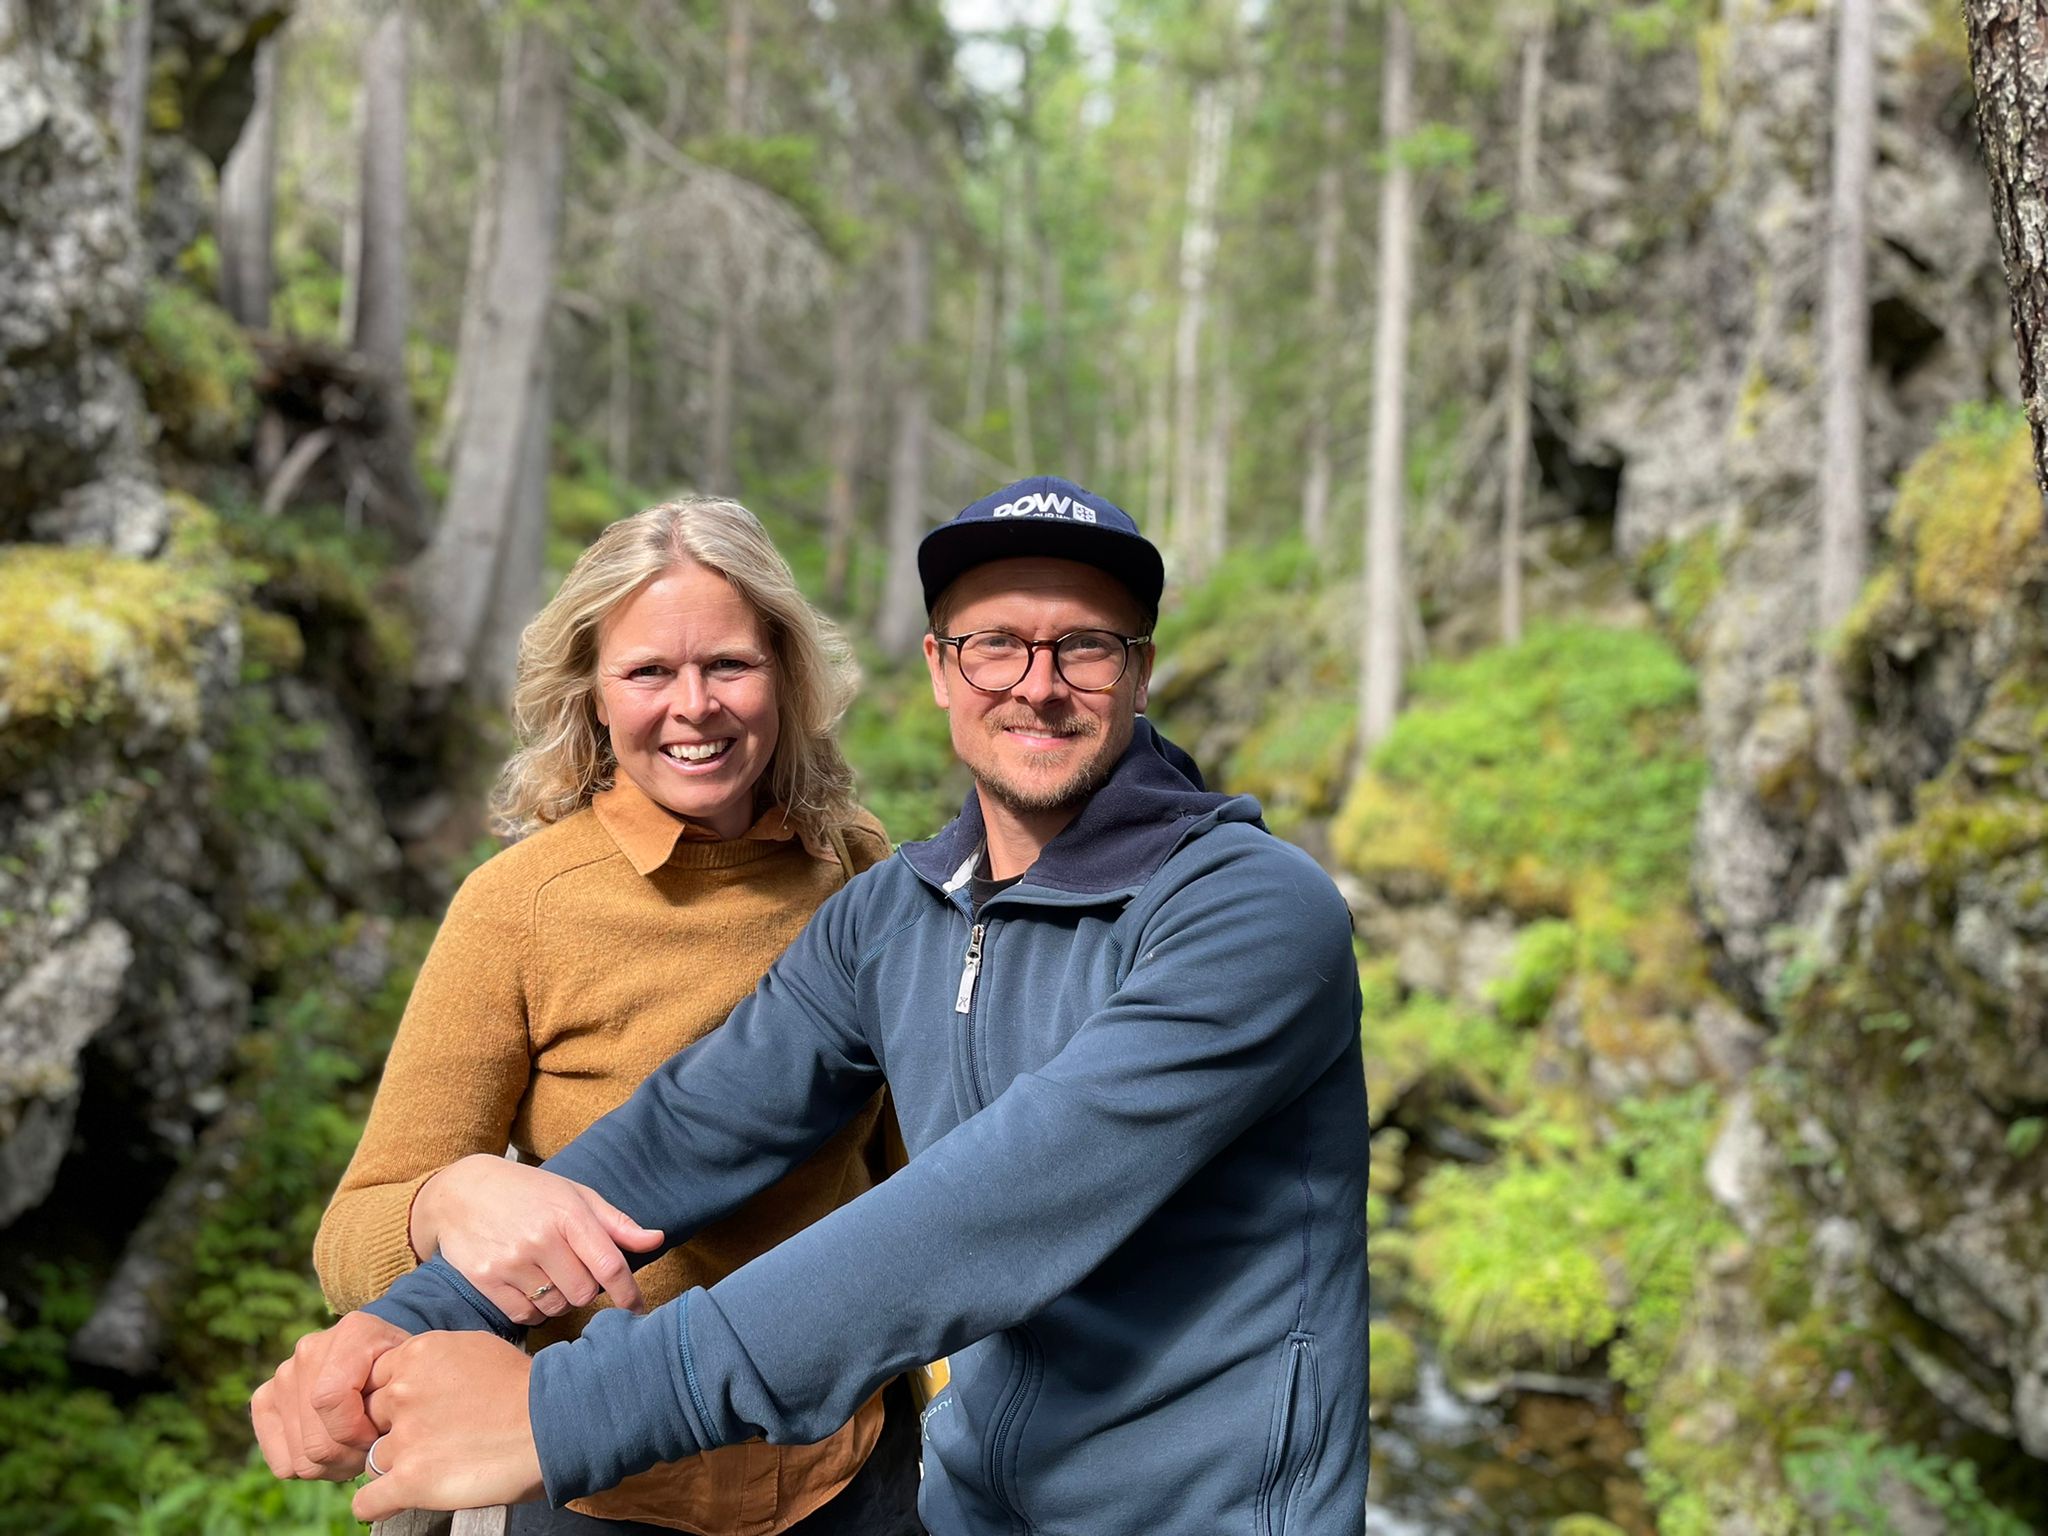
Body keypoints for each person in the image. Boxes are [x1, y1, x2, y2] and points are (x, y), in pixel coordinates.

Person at [253, 475, 1371, 1534]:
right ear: (938, 668)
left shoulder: (1253, 915)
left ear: (1138, 670)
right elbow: (687, 1135)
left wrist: (559, 1410)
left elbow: (977, 1212)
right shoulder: (898, 912)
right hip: (962, 1508)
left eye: (1082, 644)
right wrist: (396, 1325)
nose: (1036, 681)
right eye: (994, 643)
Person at [304, 497, 923, 1535]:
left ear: (786, 673)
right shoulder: (520, 907)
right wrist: (446, 1199)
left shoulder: (860, 867)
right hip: (598, 1482)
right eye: (647, 673)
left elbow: (917, 1168)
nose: (695, 707)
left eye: (728, 665)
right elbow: (350, 1237)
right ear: (590, 694)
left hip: (847, 1466)